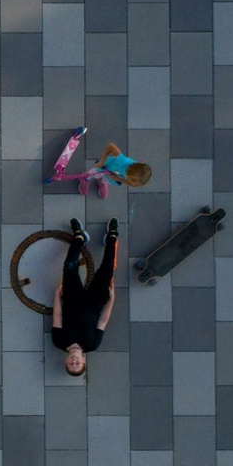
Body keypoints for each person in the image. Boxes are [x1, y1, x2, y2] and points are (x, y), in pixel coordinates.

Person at [52, 218, 119, 376]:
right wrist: (112, 300)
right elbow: (102, 321)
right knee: (107, 269)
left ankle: (79, 237)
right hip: (94, 303)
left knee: (69, 266)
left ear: (66, 361)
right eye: (77, 364)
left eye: (71, 364)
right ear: (84, 361)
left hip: (71, 299)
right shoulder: (92, 344)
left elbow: (57, 316)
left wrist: (57, 295)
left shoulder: (58, 342)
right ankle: (112, 237)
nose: (74, 361)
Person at [80, 142, 152, 198]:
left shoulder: (135, 180)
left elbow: (132, 184)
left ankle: (102, 181)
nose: (132, 184)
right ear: (131, 172)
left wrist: (118, 179)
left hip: (113, 175)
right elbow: (110, 146)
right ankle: (85, 178)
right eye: (132, 181)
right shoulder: (123, 161)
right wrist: (102, 162)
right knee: (93, 173)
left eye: (135, 183)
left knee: (107, 180)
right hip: (105, 167)